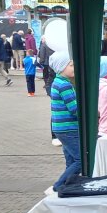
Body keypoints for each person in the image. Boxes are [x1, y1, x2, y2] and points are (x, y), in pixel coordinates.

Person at [48, 51, 80, 193]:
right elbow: (74, 109)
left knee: (71, 160)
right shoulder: (64, 85)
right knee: (80, 160)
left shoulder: (58, 81)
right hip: (69, 128)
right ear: (61, 67)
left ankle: (67, 184)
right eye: (71, 65)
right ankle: (59, 184)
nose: (74, 67)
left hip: (61, 129)